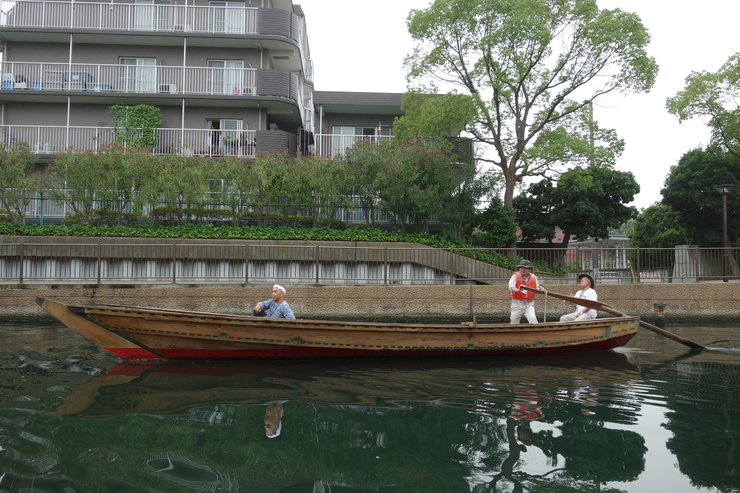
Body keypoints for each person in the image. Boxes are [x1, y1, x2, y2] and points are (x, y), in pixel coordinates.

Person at [508, 260, 543, 324]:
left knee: (533, 319)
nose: (522, 270)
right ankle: (514, 333)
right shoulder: (515, 276)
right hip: (517, 303)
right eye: (521, 268)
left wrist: (541, 289)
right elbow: (511, 287)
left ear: (529, 269)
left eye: (525, 268)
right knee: (514, 321)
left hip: (529, 304)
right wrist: (518, 290)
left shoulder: (533, 277)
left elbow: (537, 288)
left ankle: (536, 333)